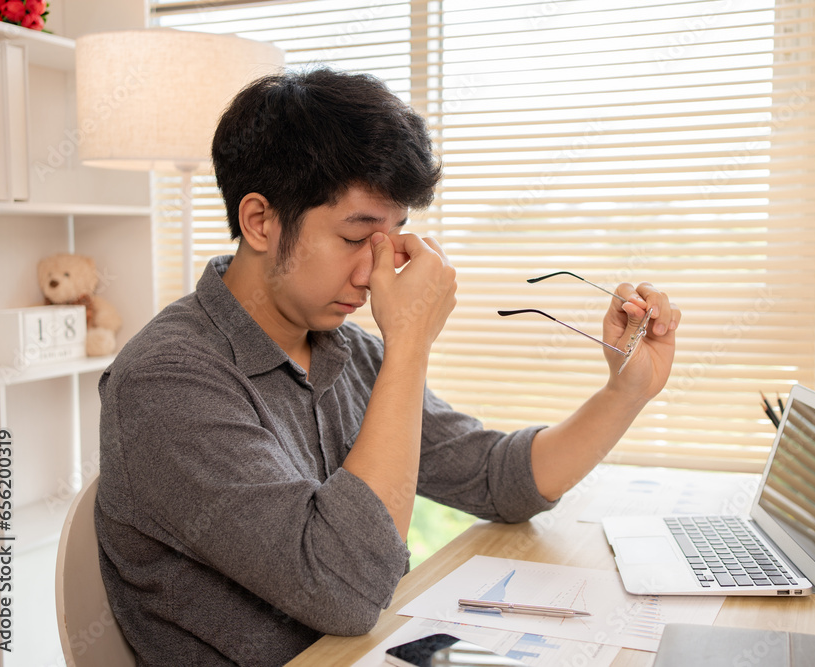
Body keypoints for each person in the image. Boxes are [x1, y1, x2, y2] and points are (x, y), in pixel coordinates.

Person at [94, 68, 680, 666]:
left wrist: (624, 392)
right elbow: (344, 590)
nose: (377, 273)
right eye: (356, 237)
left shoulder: (343, 348)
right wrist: (409, 344)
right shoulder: (166, 383)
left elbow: (497, 480)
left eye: (393, 239)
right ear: (260, 222)